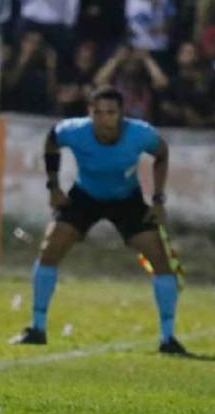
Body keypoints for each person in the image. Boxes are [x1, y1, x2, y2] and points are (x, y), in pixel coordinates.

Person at [13, 87, 188, 356]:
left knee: (159, 258)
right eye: (98, 113)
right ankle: (37, 328)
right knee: (50, 249)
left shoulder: (140, 134)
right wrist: (54, 187)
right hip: (85, 196)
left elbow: (162, 153)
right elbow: (51, 140)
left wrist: (158, 200)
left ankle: (168, 338)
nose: (105, 119)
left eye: (111, 113)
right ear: (90, 112)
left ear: (121, 114)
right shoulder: (74, 131)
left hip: (126, 199)